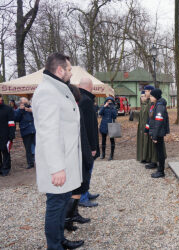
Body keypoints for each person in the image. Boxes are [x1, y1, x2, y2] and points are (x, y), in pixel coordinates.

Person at [32, 52, 84, 249]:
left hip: (66, 161)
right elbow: (48, 132)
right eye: (69, 69)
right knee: (55, 206)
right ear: (60, 70)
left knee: (62, 203)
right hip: (58, 165)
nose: (71, 73)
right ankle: (54, 246)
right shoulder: (47, 92)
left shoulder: (58, 89)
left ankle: (60, 240)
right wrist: (56, 168)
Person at [64, 84, 93, 233]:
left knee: (76, 188)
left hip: (75, 153)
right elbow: (82, 135)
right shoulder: (73, 110)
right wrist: (88, 156)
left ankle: (71, 216)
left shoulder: (73, 108)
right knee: (76, 188)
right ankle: (67, 220)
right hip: (75, 154)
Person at [78, 77, 100, 208]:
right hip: (87, 144)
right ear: (90, 86)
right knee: (86, 170)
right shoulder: (86, 101)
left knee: (86, 170)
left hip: (84, 143)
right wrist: (92, 146)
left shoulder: (81, 98)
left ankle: (85, 192)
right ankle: (83, 196)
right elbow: (88, 126)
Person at [144, 88, 169, 178]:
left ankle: (161, 171)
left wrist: (154, 136)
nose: (150, 97)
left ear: (155, 97)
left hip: (158, 132)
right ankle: (159, 169)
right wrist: (147, 129)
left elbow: (158, 122)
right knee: (158, 151)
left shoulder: (160, 106)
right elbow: (150, 119)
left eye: (151, 96)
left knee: (160, 152)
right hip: (155, 131)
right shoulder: (154, 105)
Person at [14, 97, 36, 169]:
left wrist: (31, 110)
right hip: (25, 131)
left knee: (38, 147)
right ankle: (30, 163)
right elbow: (16, 119)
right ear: (20, 103)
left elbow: (38, 116)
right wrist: (21, 110)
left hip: (34, 130)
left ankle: (40, 161)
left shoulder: (32, 108)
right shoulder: (17, 110)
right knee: (28, 148)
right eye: (24, 103)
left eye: (27, 103)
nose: (26, 104)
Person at [143, 85, 159, 169]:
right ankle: (153, 160)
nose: (145, 93)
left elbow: (154, 118)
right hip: (151, 127)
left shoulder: (155, 104)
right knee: (152, 146)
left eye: (146, 91)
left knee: (155, 146)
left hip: (155, 128)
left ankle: (155, 161)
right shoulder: (151, 103)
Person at [0, 94, 15, 177]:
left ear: (1, 98)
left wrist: (11, 134)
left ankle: (6, 168)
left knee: (5, 151)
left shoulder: (8, 109)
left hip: (5, 135)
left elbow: (11, 123)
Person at [99, 96, 117, 161]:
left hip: (111, 125)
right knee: (103, 140)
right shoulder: (103, 107)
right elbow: (100, 113)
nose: (109, 103)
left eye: (110, 102)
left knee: (112, 141)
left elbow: (115, 116)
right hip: (104, 125)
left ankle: (111, 155)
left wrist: (112, 108)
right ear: (106, 102)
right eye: (108, 101)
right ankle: (103, 154)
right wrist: (104, 106)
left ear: (112, 102)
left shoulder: (114, 108)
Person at [136, 91, 149, 162]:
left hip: (146, 127)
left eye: (143, 96)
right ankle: (142, 157)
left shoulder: (147, 105)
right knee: (142, 142)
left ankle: (145, 157)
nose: (141, 98)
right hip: (142, 127)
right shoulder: (142, 105)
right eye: (141, 96)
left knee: (146, 142)